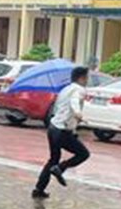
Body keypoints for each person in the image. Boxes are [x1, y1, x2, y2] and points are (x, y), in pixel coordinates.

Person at [32, 66, 91, 199]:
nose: (88, 80)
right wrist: (77, 113)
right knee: (83, 154)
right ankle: (60, 168)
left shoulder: (66, 89)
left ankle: (39, 189)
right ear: (82, 78)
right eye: (87, 77)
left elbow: (59, 107)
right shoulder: (79, 90)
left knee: (53, 159)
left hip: (53, 128)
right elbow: (74, 101)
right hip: (62, 131)